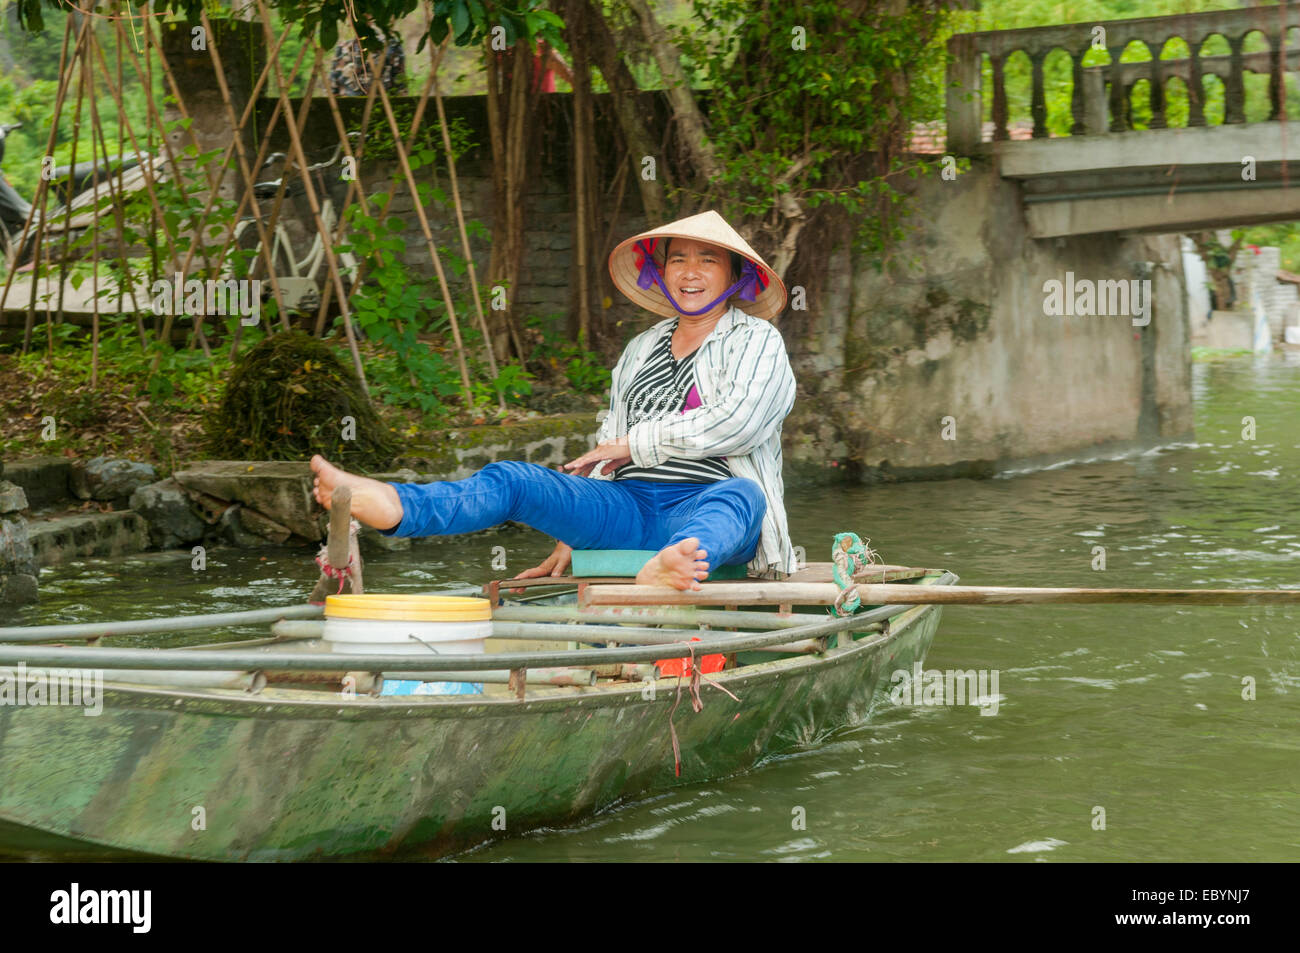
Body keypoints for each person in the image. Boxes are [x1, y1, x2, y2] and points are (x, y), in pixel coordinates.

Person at [309, 209, 800, 590]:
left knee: (742, 497)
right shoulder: (640, 349)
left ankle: (673, 564)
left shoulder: (756, 340)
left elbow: (742, 423)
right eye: (678, 259)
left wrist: (635, 444)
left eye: (707, 260)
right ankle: (396, 505)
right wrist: (573, 533)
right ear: (662, 270)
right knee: (514, 479)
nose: (690, 272)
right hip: (626, 505)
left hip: (703, 502)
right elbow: (606, 449)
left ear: (734, 273)